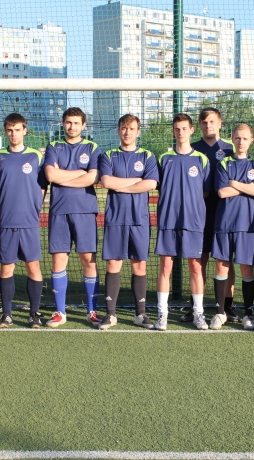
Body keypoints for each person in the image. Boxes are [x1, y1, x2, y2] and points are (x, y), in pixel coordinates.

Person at [98, 114, 159, 330]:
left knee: (139, 264)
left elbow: (151, 184)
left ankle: (140, 314)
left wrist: (121, 185)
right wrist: (136, 181)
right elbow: (106, 181)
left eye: (132, 128)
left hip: (139, 219)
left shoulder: (147, 156)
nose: (127, 132)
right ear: (118, 131)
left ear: (138, 131)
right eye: (124, 128)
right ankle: (110, 314)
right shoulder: (108, 155)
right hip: (116, 217)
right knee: (113, 264)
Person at [43, 107, 101, 328]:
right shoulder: (54, 146)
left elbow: (93, 178)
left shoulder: (92, 147)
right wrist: (80, 173)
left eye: (76, 123)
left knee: (88, 260)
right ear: (63, 123)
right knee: (59, 260)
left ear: (84, 125)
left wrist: (63, 176)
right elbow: (50, 175)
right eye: (68, 122)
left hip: (85, 210)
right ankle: (60, 312)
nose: (72, 126)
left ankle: (92, 311)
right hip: (59, 210)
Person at [155, 113, 211, 331]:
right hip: (168, 220)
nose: (180, 132)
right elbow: (159, 187)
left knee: (196, 267)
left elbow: (205, 191)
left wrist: (190, 205)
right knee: (165, 266)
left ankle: (198, 313)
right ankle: (162, 314)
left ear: (192, 130)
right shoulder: (164, 158)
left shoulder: (201, 159)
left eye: (184, 128)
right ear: (173, 131)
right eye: (177, 129)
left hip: (193, 221)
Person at [182, 108, 238, 323]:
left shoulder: (231, 148)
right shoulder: (193, 148)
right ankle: (196, 306)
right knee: (199, 259)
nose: (208, 126)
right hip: (199, 211)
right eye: (204, 122)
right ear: (199, 125)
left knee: (225, 260)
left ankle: (228, 306)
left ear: (220, 123)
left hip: (227, 210)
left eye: (212, 122)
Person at [210, 123, 254, 330]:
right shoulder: (223, 164)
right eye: (237, 138)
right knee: (221, 266)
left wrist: (234, 183)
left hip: (247, 225)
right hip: (224, 223)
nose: (241, 142)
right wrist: (248, 187)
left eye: (244, 138)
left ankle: (248, 314)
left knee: (246, 268)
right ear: (232, 139)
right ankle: (220, 313)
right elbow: (222, 192)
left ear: (251, 140)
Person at [0, 113, 47, 329]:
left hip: (29, 222)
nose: (13, 134)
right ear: (5, 131)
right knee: (6, 268)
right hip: (7, 221)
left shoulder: (36, 156)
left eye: (17, 130)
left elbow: (43, 187)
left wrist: (34, 207)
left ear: (24, 130)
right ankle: (6, 314)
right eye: (9, 130)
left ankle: (34, 314)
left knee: (33, 267)